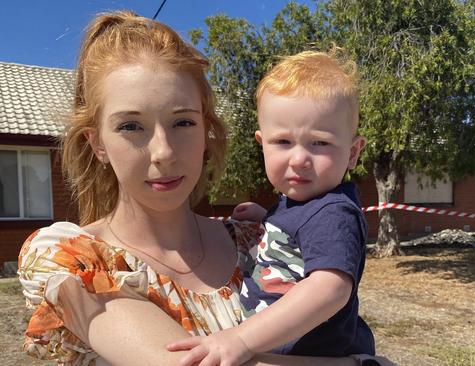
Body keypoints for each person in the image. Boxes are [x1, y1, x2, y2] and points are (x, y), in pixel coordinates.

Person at [17, 11, 388, 366]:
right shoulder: (73, 260)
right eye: (131, 126)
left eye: (182, 122)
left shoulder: (253, 240)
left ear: (206, 132)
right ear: (97, 143)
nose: (163, 152)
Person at [167, 50, 374, 366]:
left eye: (320, 143)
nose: (299, 158)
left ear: (352, 152)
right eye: (283, 142)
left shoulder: (333, 212)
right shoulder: (299, 206)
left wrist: (241, 338)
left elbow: (330, 289)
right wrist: (269, 220)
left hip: (314, 356)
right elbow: (299, 247)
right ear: (261, 143)